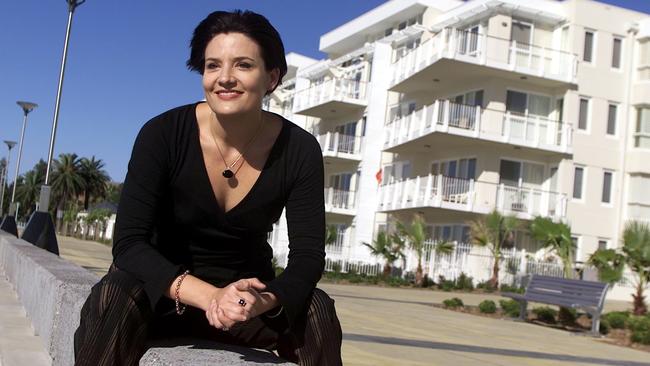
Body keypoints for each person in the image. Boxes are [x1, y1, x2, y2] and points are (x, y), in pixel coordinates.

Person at [73, 10, 342, 366]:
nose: (225, 78)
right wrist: (209, 296)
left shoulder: (299, 149)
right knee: (112, 295)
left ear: (272, 77)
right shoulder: (163, 134)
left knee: (317, 308)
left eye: (243, 65)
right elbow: (129, 243)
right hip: (164, 297)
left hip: (242, 307)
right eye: (213, 66)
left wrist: (261, 300)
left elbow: (308, 257)